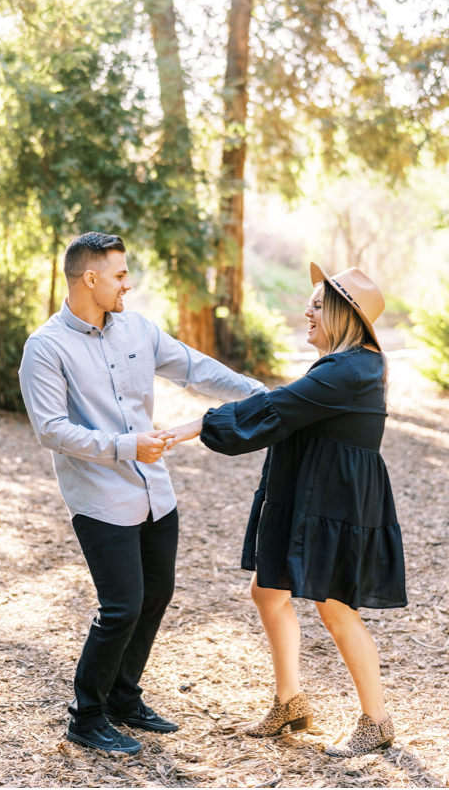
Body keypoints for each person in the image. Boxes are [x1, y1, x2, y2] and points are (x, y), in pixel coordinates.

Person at [18, 232, 266, 755]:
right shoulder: (45, 347)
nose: (127, 284)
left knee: (155, 597)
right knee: (121, 607)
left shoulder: (137, 328)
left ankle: (124, 698)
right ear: (91, 279)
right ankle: (86, 715)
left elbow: (196, 369)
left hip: (156, 493)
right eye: (120, 275)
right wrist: (128, 445)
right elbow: (50, 430)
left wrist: (262, 393)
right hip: (100, 498)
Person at [164, 264, 405, 757]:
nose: (307, 312)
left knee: (334, 606)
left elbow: (277, 408)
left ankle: (377, 720)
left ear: (343, 314)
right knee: (268, 589)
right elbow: (285, 408)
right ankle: (290, 701)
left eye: (317, 305)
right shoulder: (343, 365)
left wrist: (192, 427)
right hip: (308, 491)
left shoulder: (352, 369)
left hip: (334, 500)